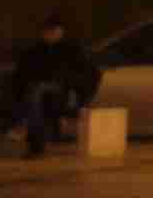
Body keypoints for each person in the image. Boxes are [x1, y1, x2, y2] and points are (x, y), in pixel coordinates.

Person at [10, 16, 100, 161]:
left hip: (60, 91)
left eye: (54, 31)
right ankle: (33, 142)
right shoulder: (33, 52)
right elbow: (19, 76)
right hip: (35, 94)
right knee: (34, 97)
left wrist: (81, 100)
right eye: (47, 31)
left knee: (35, 92)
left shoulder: (71, 50)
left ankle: (21, 125)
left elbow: (90, 74)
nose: (50, 34)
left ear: (61, 32)